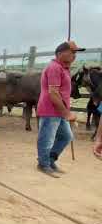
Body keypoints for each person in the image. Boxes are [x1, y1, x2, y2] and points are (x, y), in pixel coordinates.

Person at [36, 41, 85, 177]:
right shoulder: (54, 68)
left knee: (66, 136)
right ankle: (43, 164)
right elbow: (53, 93)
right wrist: (67, 113)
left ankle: (50, 160)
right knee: (47, 137)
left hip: (59, 110)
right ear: (60, 53)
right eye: (72, 52)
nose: (74, 56)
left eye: (75, 53)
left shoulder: (64, 68)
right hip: (50, 109)